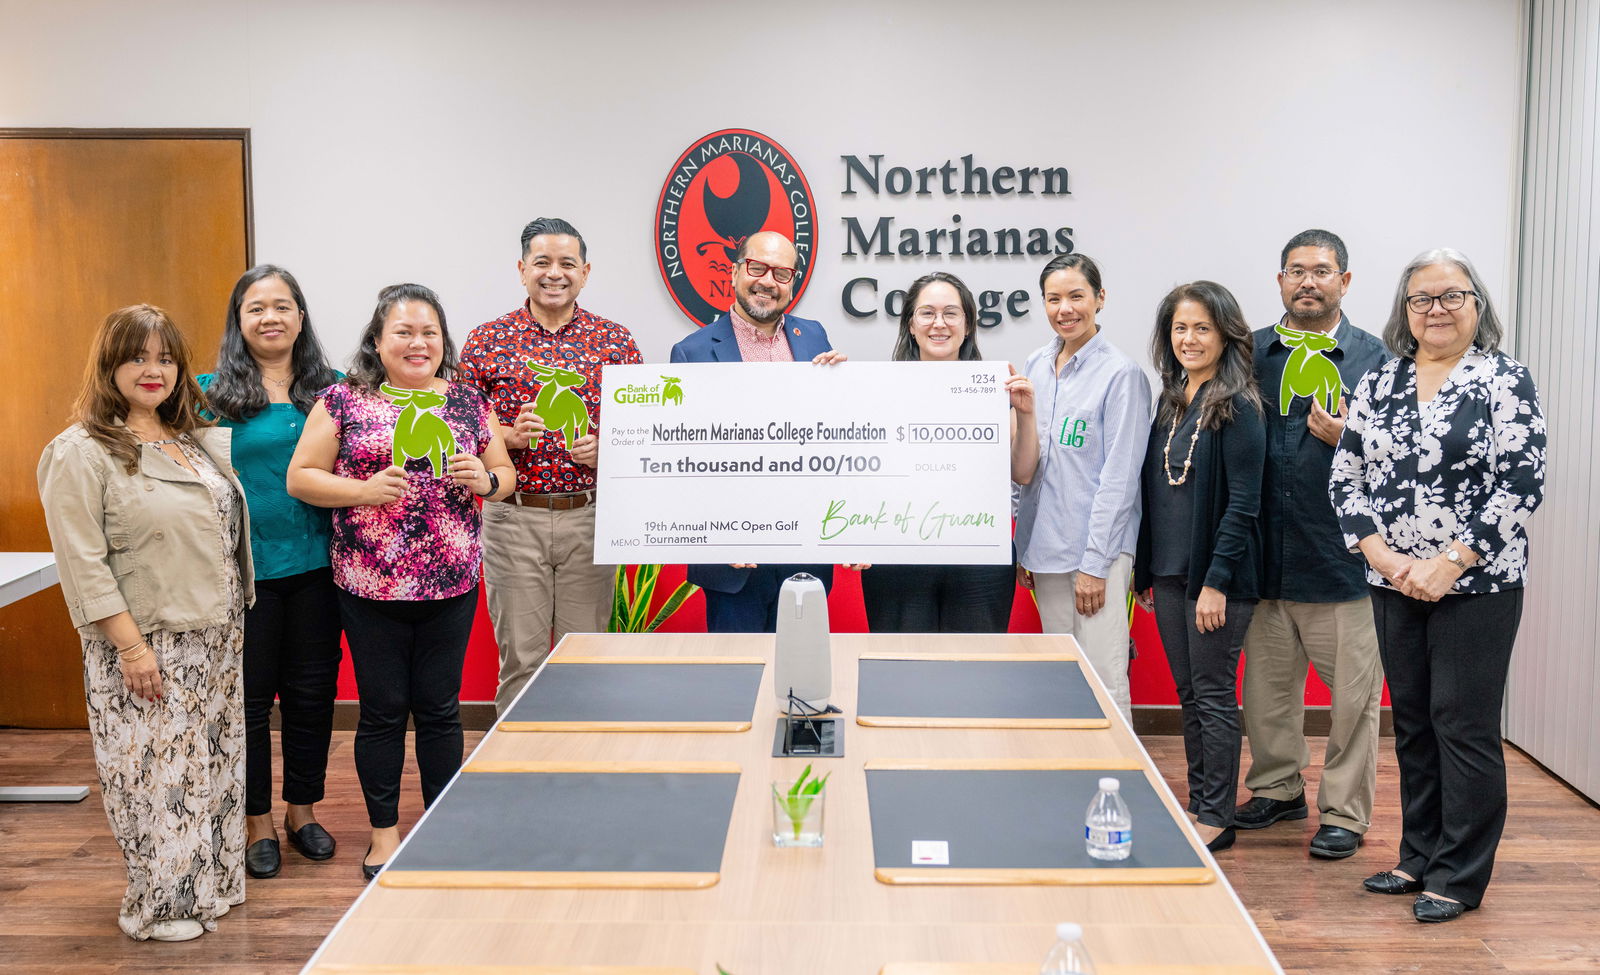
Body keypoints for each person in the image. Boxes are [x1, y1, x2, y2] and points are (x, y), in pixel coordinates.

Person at [1331, 248, 1545, 922]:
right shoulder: (1381, 382)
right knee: (1415, 722)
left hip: (1478, 586)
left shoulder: (1504, 380)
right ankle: (1418, 852)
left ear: (1477, 304)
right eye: (1422, 299)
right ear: (1405, 311)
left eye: (1452, 296)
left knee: (1463, 723)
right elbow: (1347, 477)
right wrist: (1385, 556)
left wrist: (1449, 561)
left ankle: (1460, 871)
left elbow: (1521, 482)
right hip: (1391, 580)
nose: (1437, 310)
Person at [37, 305, 253, 942]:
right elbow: (84, 563)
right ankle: (164, 902)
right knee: (156, 774)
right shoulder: (79, 451)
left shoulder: (186, 439)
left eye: (165, 357)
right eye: (137, 356)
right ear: (110, 366)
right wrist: (131, 649)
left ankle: (210, 884)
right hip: (147, 642)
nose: (153, 370)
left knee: (210, 764)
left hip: (214, 631)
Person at [288, 283, 515, 880]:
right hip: (370, 586)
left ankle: (441, 826)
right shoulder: (343, 401)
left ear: (443, 342)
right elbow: (301, 476)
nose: (418, 343)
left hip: (452, 583)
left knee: (440, 712)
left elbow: (505, 475)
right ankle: (384, 834)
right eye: (404, 332)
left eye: (429, 333)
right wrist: (362, 491)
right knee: (383, 713)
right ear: (377, 340)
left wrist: (486, 482)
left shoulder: (467, 402)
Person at [1236, 229, 1391, 860]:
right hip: (1263, 557)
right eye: (1296, 270)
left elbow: (1404, 460)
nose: (1308, 281)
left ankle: (1345, 814)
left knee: (1354, 702)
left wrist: (1349, 438)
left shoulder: (1379, 360)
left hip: (1342, 561)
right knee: (1267, 695)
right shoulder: (1248, 355)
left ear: (1344, 282)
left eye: (1321, 270)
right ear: (1279, 281)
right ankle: (1276, 789)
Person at [459, 217, 642, 715]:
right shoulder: (486, 341)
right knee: (522, 660)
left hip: (589, 517)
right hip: (514, 518)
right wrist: (505, 439)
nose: (554, 273)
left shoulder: (616, 343)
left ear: (585, 272)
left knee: (586, 658)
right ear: (522, 270)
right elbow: (459, 429)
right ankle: (522, 780)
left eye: (567, 263)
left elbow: (647, 430)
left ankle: (582, 774)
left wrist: (610, 451)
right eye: (542, 262)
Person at [198, 265, 342, 880]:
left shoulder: (335, 390)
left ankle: (301, 811)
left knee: (312, 697)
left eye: (283, 306)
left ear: (301, 318)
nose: (270, 317)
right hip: (243, 573)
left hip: (321, 566)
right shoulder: (206, 395)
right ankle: (255, 820)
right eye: (255, 308)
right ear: (239, 321)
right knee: (250, 702)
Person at [1133, 282, 1265, 853]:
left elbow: (1244, 505)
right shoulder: (1170, 399)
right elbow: (1152, 493)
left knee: (1212, 693)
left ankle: (1218, 814)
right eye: (1180, 328)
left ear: (1226, 334)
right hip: (1167, 574)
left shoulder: (1237, 405)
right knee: (1190, 692)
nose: (1189, 339)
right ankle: (1198, 801)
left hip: (1216, 582)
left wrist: (1216, 582)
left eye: (1202, 328)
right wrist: (1145, 574)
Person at [669, 230, 846, 632]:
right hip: (735, 557)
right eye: (757, 267)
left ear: (793, 284)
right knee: (740, 683)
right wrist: (717, 534)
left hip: (805, 549)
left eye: (782, 273)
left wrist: (842, 389)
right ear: (734, 273)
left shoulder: (814, 337)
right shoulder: (691, 352)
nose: (768, 281)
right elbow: (682, 458)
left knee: (801, 680)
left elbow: (832, 436)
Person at [1013, 253, 1152, 722]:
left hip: (1097, 554)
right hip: (1045, 550)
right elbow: (1027, 466)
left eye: (1076, 296)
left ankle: (1114, 780)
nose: (1064, 309)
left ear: (1099, 299)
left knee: (1104, 676)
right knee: (1062, 672)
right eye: (1054, 299)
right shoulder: (1034, 363)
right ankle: (1070, 773)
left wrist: (1095, 565)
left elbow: (1119, 479)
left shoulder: (1121, 374)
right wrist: (1023, 545)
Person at [854, 271, 1034, 632]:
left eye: (951, 313)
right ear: (910, 324)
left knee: (973, 675)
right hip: (897, 557)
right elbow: (861, 474)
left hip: (979, 559)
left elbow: (1023, 472)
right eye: (927, 313)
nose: (939, 323)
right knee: (900, 672)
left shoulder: (993, 390)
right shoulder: (875, 390)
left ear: (967, 325)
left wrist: (1026, 414)